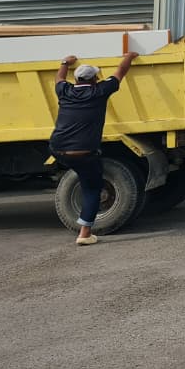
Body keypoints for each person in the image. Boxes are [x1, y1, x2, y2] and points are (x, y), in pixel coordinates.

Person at [50, 51, 140, 244]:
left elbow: (59, 78)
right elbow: (120, 72)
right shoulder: (99, 91)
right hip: (84, 153)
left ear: (76, 79)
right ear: (95, 79)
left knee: (84, 176)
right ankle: (84, 234)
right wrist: (129, 57)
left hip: (58, 149)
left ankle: (83, 219)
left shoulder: (65, 91)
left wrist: (65, 62)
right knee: (92, 187)